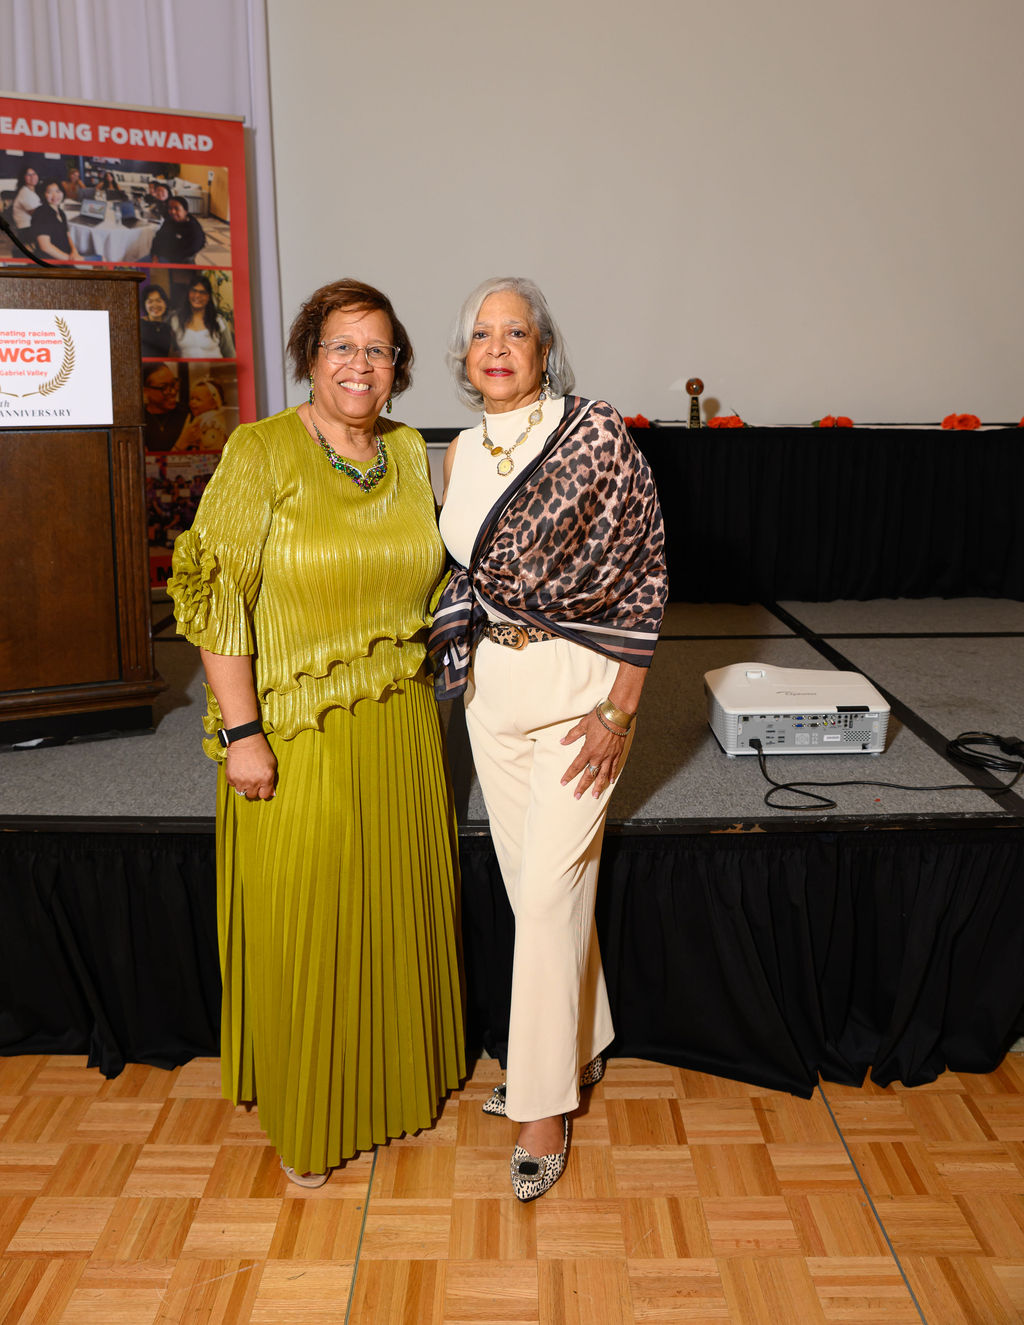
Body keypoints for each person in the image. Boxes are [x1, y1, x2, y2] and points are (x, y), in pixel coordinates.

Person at [167, 277, 464, 1186]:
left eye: (377, 350)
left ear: (397, 366)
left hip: (401, 725)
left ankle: (394, 1086)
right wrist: (242, 733)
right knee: (310, 925)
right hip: (296, 734)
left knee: (390, 915)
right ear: (309, 356)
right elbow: (217, 597)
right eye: (342, 346)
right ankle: (313, 1114)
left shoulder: (409, 451)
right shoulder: (259, 450)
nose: (359, 365)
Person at [430, 276, 667, 1201]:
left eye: (515, 332)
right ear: (465, 356)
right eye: (482, 334)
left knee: (549, 888)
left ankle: (541, 1101)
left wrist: (621, 708)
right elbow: (464, 572)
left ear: (543, 347)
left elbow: (646, 574)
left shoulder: (594, 433)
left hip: (582, 693)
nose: (497, 347)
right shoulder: (458, 451)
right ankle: (581, 1040)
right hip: (494, 691)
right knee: (537, 889)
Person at [169, 274, 234, 358]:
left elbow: (230, 354)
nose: (197, 296)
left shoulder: (219, 321)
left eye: (202, 292)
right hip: (188, 366)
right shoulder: (175, 320)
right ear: (188, 294)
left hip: (216, 366)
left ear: (208, 297)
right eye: (194, 291)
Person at [28, 179, 83, 262]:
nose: (55, 196)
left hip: (65, 254)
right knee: (99, 260)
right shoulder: (41, 213)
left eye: (58, 191)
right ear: (43, 194)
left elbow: (67, 234)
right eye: (49, 192)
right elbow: (45, 247)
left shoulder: (60, 212)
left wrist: (74, 251)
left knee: (100, 258)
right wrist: (70, 260)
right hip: (50, 260)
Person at [142, 361, 190, 451]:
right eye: (164, 387)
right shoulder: (139, 420)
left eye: (173, 384)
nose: (173, 392)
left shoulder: (188, 414)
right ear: (146, 390)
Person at [170, 376, 226, 452]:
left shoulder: (212, 422)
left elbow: (210, 444)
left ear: (214, 404)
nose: (193, 402)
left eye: (198, 399)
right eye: (192, 398)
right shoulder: (201, 417)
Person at [151, 196, 206, 265]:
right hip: (160, 257)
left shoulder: (193, 229)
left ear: (185, 211)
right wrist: (155, 255)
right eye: (170, 208)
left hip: (180, 262)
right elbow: (158, 238)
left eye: (176, 209)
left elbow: (192, 249)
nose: (172, 212)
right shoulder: (169, 221)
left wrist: (164, 258)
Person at [139, 285, 180, 359]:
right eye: (150, 301)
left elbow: (172, 355)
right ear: (144, 305)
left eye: (159, 301)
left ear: (165, 303)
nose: (155, 305)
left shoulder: (168, 328)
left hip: (162, 365)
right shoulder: (138, 325)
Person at [11, 165, 41, 232]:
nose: (32, 177)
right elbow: (37, 214)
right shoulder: (25, 193)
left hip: (32, 227)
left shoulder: (31, 191)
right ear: (23, 177)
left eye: (34, 174)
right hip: (26, 229)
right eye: (28, 175)